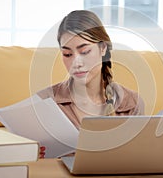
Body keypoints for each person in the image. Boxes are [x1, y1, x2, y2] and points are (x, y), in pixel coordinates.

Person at [37, 10, 145, 158]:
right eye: (67, 54)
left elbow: (137, 160)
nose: (76, 63)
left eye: (85, 51)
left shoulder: (131, 102)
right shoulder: (44, 100)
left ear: (103, 48)